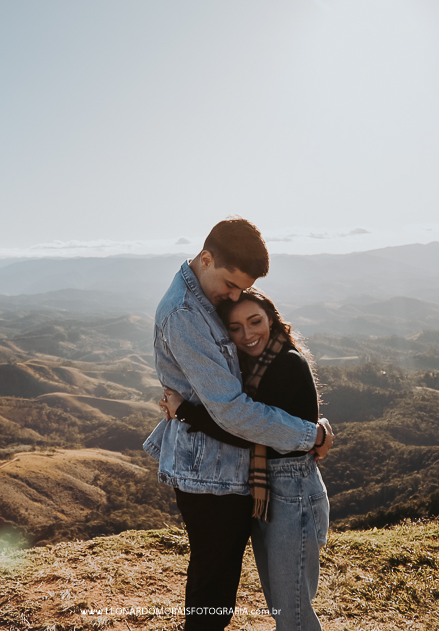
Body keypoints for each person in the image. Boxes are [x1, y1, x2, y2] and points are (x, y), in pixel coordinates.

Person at [143, 218, 332, 631]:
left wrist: (312, 422)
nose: (233, 296)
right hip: (210, 475)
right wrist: (310, 434)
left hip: (237, 471)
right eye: (230, 284)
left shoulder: (204, 302)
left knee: (230, 596)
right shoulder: (184, 312)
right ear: (206, 258)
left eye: (242, 291)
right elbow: (231, 408)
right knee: (213, 597)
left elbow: (250, 390)